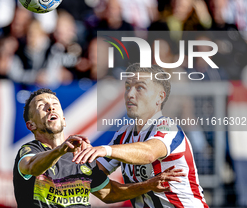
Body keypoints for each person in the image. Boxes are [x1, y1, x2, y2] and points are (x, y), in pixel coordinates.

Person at [13, 88, 186, 208]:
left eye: (55, 103)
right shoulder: (29, 151)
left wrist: (148, 185)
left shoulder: (81, 156)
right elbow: (31, 167)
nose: (50, 106)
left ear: (64, 120)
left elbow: (110, 193)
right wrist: (60, 150)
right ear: (31, 125)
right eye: (41, 105)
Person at [73, 64, 209, 207]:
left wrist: (104, 149)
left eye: (139, 88)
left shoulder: (168, 127)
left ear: (160, 97)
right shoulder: (123, 134)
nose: (130, 94)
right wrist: (83, 160)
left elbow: (149, 153)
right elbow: (107, 193)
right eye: (127, 87)